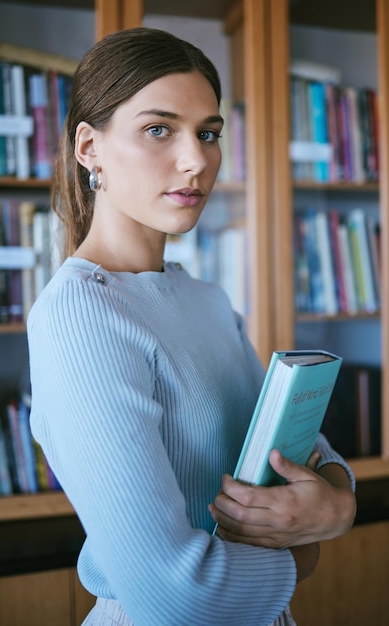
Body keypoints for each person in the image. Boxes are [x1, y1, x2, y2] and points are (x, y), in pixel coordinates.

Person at [27, 27, 357, 626]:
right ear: (88, 148)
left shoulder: (206, 298)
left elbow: (304, 449)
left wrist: (338, 504)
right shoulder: (78, 315)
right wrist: (307, 546)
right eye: (159, 129)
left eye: (208, 133)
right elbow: (175, 593)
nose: (196, 159)